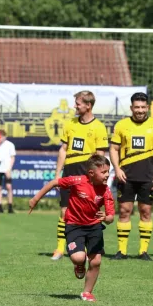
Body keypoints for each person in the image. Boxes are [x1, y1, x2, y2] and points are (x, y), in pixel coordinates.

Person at [29, 154, 114, 302]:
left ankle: (87, 293)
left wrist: (106, 218)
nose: (107, 175)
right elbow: (54, 182)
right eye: (104, 172)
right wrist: (36, 199)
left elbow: (111, 217)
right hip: (74, 225)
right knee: (78, 257)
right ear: (91, 173)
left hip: (94, 227)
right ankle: (79, 265)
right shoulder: (77, 181)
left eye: (108, 171)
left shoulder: (106, 191)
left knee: (96, 261)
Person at [51, 91, 109, 261]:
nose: (75, 106)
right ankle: (60, 249)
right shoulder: (70, 124)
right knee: (64, 212)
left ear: (88, 105)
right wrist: (57, 175)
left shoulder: (98, 127)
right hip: (69, 171)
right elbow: (63, 149)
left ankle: (87, 245)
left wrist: (98, 177)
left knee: (88, 211)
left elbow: (100, 155)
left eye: (78, 103)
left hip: (87, 174)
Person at [109, 92, 153, 261]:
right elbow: (113, 149)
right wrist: (117, 168)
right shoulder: (121, 125)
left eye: (143, 107)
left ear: (147, 107)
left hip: (147, 176)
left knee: (146, 211)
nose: (140, 110)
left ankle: (143, 251)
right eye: (137, 107)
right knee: (125, 211)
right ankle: (122, 251)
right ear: (131, 108)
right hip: (125, 176)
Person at [0, 129, 16, 214]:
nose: (0, 139)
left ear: (5, 137)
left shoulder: (10, 145)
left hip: (7, 169)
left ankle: (10, 206)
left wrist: (9, 168)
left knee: (9, 187)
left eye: (1, 137)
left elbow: (12, 157)